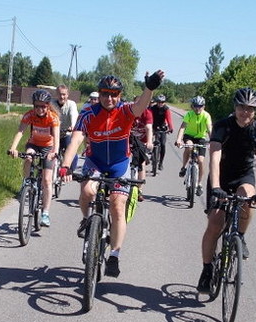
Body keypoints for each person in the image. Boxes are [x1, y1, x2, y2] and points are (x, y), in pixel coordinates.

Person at [60, 70, 165, 277]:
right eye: (105, 94)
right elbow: (76, 140)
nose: (109, 98)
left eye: (114, 94)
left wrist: (149, 89)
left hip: (119, 164)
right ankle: (86, 219)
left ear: (119, 95)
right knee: (88, 192)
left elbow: (141, 106)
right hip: (95, 162)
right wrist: (65, 165)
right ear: (99, 94)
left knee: (117, 205)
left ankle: (115, 255)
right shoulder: (88, 113)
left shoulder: (125, 111)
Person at [197, 87, 256, 293]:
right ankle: (207, 269)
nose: (245, 112)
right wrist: (217, 187)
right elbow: (215, 158)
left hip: (243, 176)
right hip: (221, 176)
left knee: (247, 198)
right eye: (241, 107)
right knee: (215, 223)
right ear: (235, 107)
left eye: (250, 108)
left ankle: (240, 235)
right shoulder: (222, 126)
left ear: (255, 110)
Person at [8, 89, 60, 227]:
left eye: (43, 106)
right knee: (29, 157)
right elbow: (20, 131)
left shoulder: (52, 117)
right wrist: (13, 147)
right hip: (34, 144)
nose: (40, 109)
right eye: (37, 106)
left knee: (47, 180)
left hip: (49, 147)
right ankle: (26, 182)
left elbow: (56, 137)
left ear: (48, 106)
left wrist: (54, 152)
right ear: (33, 106)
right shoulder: (30, 115)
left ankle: (45, 213)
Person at [175, 95, 212, 197]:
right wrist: (179, 139)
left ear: (203, 106)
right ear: (192, 106)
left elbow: (209, 130)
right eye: (195, 106)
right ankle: (183, 167)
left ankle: (199, 184)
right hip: (189, 136)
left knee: (200, 161)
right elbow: (183, 127)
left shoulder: (206, 116)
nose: (198, 108)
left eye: (200, 106)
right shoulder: (189, 114)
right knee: (189, 146)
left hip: (201, 138)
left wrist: (213, 141)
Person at [129, 100, 153, 200]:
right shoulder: (130, 112)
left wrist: (149, 141)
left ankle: (140, 190)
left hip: (142, 140)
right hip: (129, 138)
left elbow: (148, 128)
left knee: (141, 163)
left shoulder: (147, 113)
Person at [53, 84, 80, 170]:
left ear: (67, 95)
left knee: (72, 152)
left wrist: (73, 126)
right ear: (56, 94)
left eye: (64, 94)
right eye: (60, 94)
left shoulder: (71, 104)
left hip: (66, 132)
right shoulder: (52, 104)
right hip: (54, 133)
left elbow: (74, 115)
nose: (62, 96)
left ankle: (70, 172)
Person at [149, 94, 174, 170]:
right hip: (153, 126)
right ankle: (152, 153)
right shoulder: (152, 108)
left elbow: (169, 119)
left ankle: (161, 163)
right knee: (151, 141)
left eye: (162, 102)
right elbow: (148, 117)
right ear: (157, 102)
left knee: (163, 144)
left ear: (164, 102)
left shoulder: (166, 109)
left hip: (162, 127)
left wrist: (171, 128)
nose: (160, 104)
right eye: (159, 102)